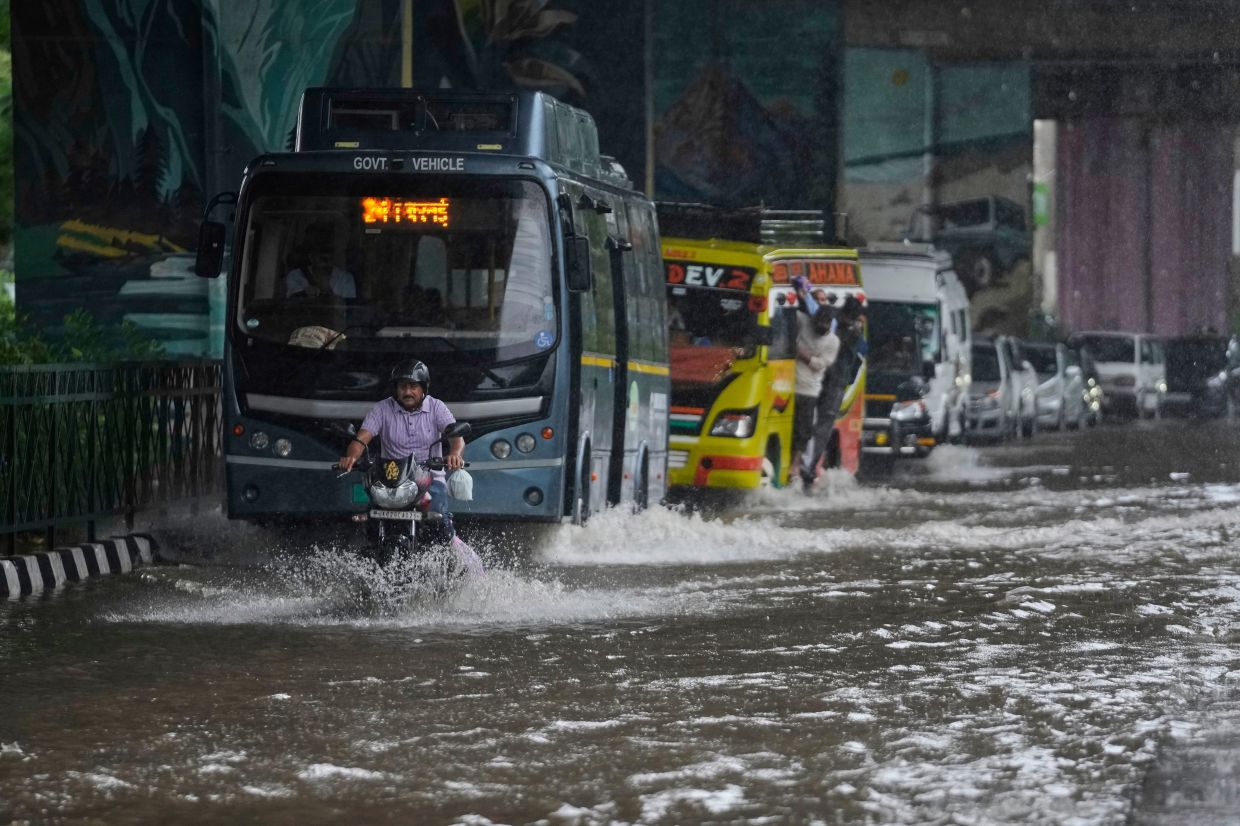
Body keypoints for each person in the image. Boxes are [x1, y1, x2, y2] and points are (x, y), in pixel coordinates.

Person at [338, 359, 465, 539]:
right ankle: (373, 557)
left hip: (428, 478)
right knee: (372, 524)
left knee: (440, 524)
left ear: (423, 388)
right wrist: (351, 457)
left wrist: (454, 454)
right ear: (395, 389)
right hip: (390, 482)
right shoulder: (382, 409)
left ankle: (451, 553)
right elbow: (361, 439)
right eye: (402, 387)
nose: (407, 392)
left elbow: (456, 437)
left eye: (413, 386)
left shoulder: (437, 407)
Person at [790, 304, 840, 494]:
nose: (822, 326)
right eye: (819, 322)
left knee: (803, 431)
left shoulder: (833, 342)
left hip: (809, 390)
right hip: (785, 383)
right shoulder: (803, 321)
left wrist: (801, 354)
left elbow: (820, 364)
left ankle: (795, 466)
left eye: (826, 324)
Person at [286, 233, 357, 299]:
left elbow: (348, 308)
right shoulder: (295, 276)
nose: (327, 263)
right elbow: (292, 304)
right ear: (312, 257)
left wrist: (327, 291)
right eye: (323, 259)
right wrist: (304, 293)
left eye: (330, 258)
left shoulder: (345, 279)